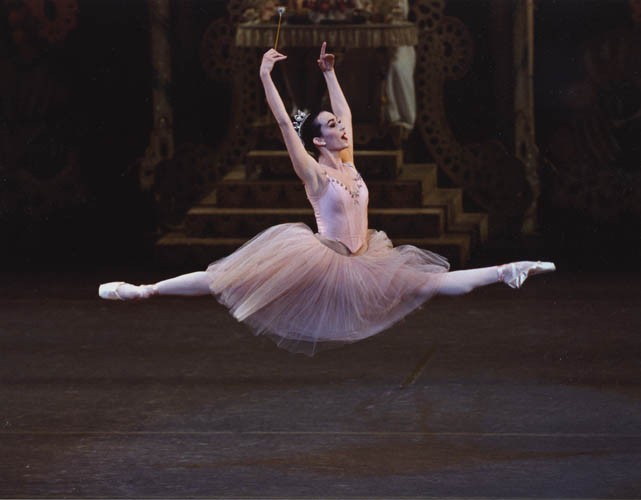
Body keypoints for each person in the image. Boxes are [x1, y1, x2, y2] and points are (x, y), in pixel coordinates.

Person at [99, 43, 555, 355]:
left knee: (433, 283)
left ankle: (507, 270)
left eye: (340, 126)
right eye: (332, 127)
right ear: (318, 142)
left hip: (364, 260)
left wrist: (331, 73)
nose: (341, 127)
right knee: (226, 279)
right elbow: (284, 124)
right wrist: (264, 75)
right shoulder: (314, 173)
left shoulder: (350, 162)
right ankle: (145, 290)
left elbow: (349, 111)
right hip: (321, 259)